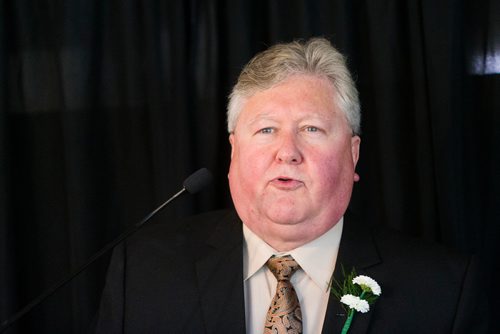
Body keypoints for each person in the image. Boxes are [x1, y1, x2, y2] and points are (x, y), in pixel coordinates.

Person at [94, 38, 488, 333]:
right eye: (266, 129)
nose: (288, 152)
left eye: (312, 129)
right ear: (233, 154)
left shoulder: (443, 289)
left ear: (353, 154)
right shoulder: (143, 273)